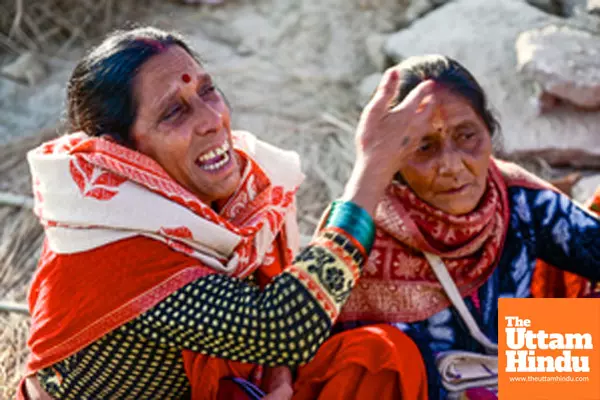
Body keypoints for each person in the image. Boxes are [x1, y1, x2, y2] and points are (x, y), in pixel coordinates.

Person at [18, 27, 433, 400]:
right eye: (174, 111)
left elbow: (279, 334)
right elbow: (281, 327)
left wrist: (278, 377)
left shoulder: (498, 218)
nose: (214, 118)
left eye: (464, 136)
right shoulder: (115, 247)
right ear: (122, 154)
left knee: (382, 357)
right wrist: (372, 173)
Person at [329, 55, 600, 400]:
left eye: (466, 136)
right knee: (374, 353)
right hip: (424, 390)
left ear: (489, 131)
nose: (452, 165)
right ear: (391, 162)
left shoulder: (514, 197)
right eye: (424, 147)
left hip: (519, 371)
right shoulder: (359, 231)